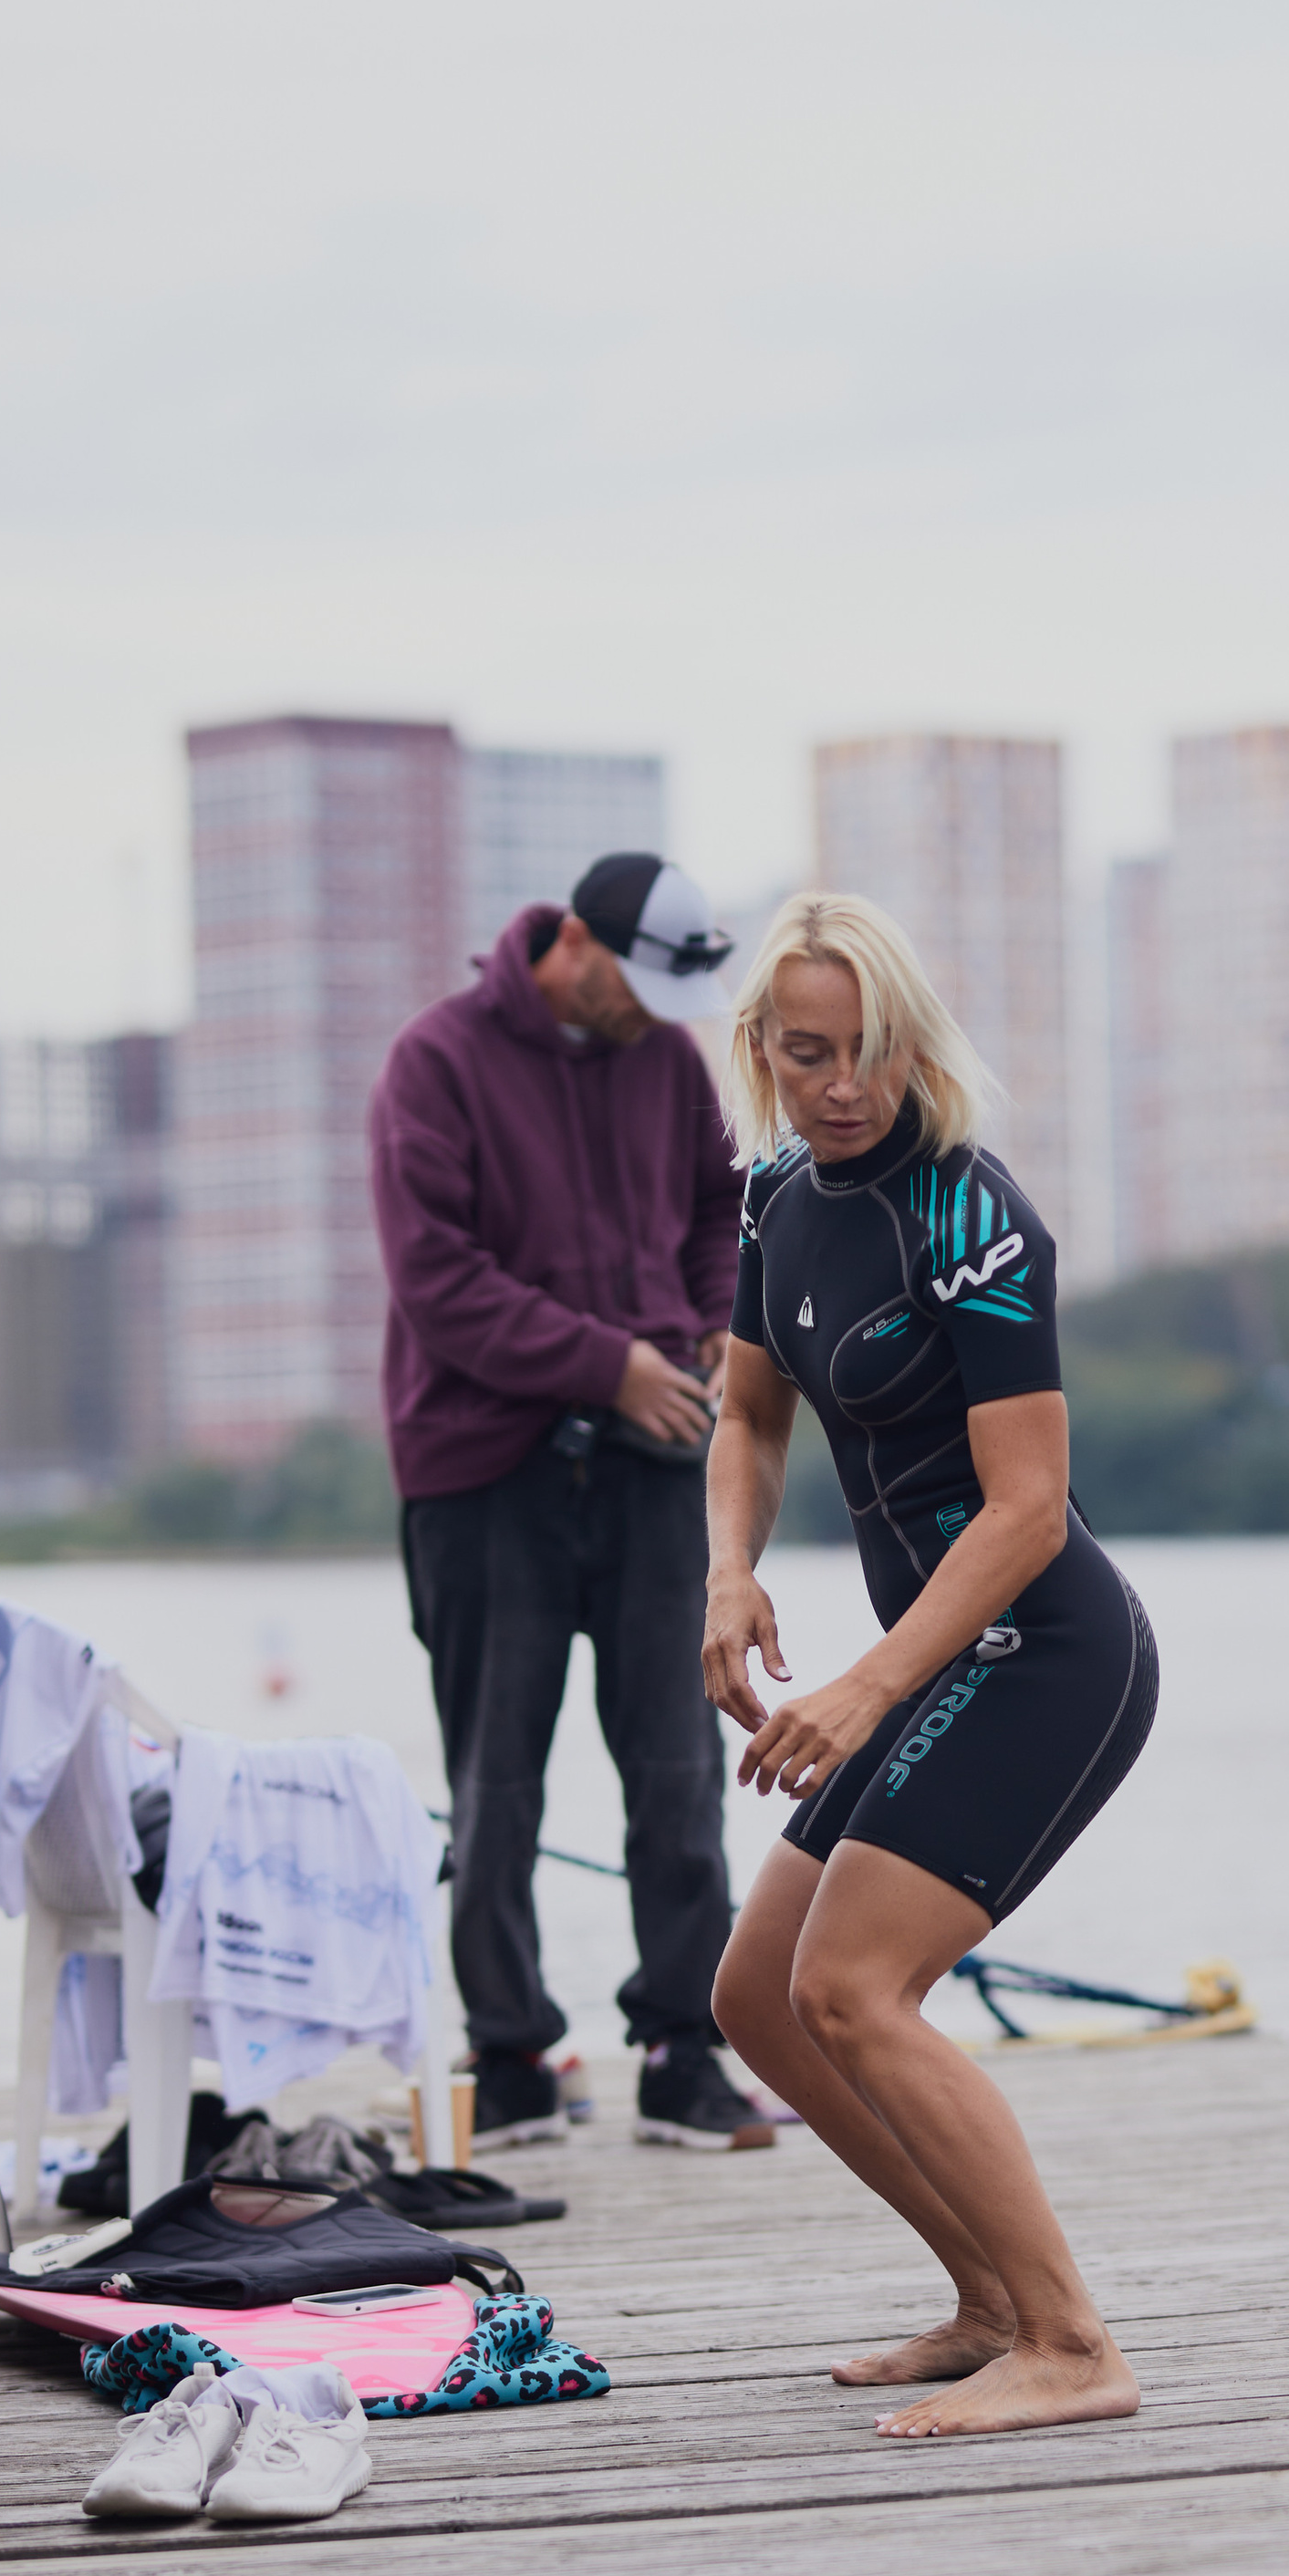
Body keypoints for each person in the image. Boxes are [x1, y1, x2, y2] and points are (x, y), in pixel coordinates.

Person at [702, 894, 1155, 2436]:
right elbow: (751, 1413)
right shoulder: (771, 1202)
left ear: (912, 1043)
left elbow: (1029, 1511)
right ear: (760, 1051)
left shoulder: (971, 1215)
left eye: (871, 1051)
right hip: (932, 1659)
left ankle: (1075, 2346)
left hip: (1047, 1652)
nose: (843, 1084)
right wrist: (729, 1568)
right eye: (809, 1053)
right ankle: (989, 2306)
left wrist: (864, 1686)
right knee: (757, 1997)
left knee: (852, 1986)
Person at [369, 852, 774, 2157]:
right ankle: (512, 2055)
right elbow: (438, 1278)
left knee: (676, 1762)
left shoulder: (663, 1057)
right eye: (638, 986)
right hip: (487, 1471)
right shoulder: (433, 1063)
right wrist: (607, 1362)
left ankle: (682, 2050)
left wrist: (716, 1320)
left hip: (657, 1458)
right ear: (578, 948)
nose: (656, 1016)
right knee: (496, 1779)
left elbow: (721, 1204)